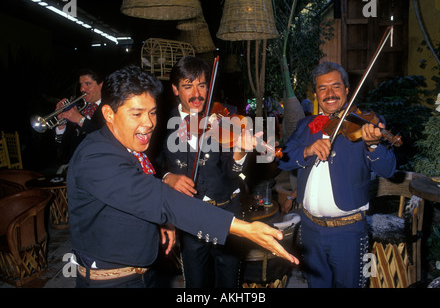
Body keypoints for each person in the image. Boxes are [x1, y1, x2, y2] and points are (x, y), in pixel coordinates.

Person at [67, 65, 297, 288]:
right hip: (110, 279)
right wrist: (244, 229)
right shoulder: (96, 156)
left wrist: (160, 220)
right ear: (108, 113)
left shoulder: (126, 146)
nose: (148, 123)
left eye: (152, 112)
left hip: (143, 270)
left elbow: (138, 198)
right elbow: (158, 197)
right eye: (137, 114)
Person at [278, 61, 396, 288]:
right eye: (323, 88)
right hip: (310, 229)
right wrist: (307, 150)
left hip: (348, 232)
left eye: (336, 87)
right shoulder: (307, 125)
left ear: (347, 90)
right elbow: (283, 158)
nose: (330, 94)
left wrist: (372, 146)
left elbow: (389, 169)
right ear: (315, 94)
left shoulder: (364, 123)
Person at [158, 56, 255, 288]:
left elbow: (233, 174)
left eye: (202, 85)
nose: (197, 94)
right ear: (174, 89)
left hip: (227, 213)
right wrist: (167, 177)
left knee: (229, 285)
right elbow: (149, 166)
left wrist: (240, 153)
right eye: (187, 86)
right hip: (190, 216)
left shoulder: (225, 117)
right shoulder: (161, 122)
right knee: (196, 285)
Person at [55, 69, 104, 172]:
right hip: (74, 166)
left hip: (98, 167)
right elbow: (61, 145)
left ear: (101, 84)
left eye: (88, 84)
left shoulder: (110, 108)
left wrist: (80, 120)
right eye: (81, 84)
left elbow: (106, 136)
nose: (82, 89)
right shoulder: (79, 107)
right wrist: (61, 124)